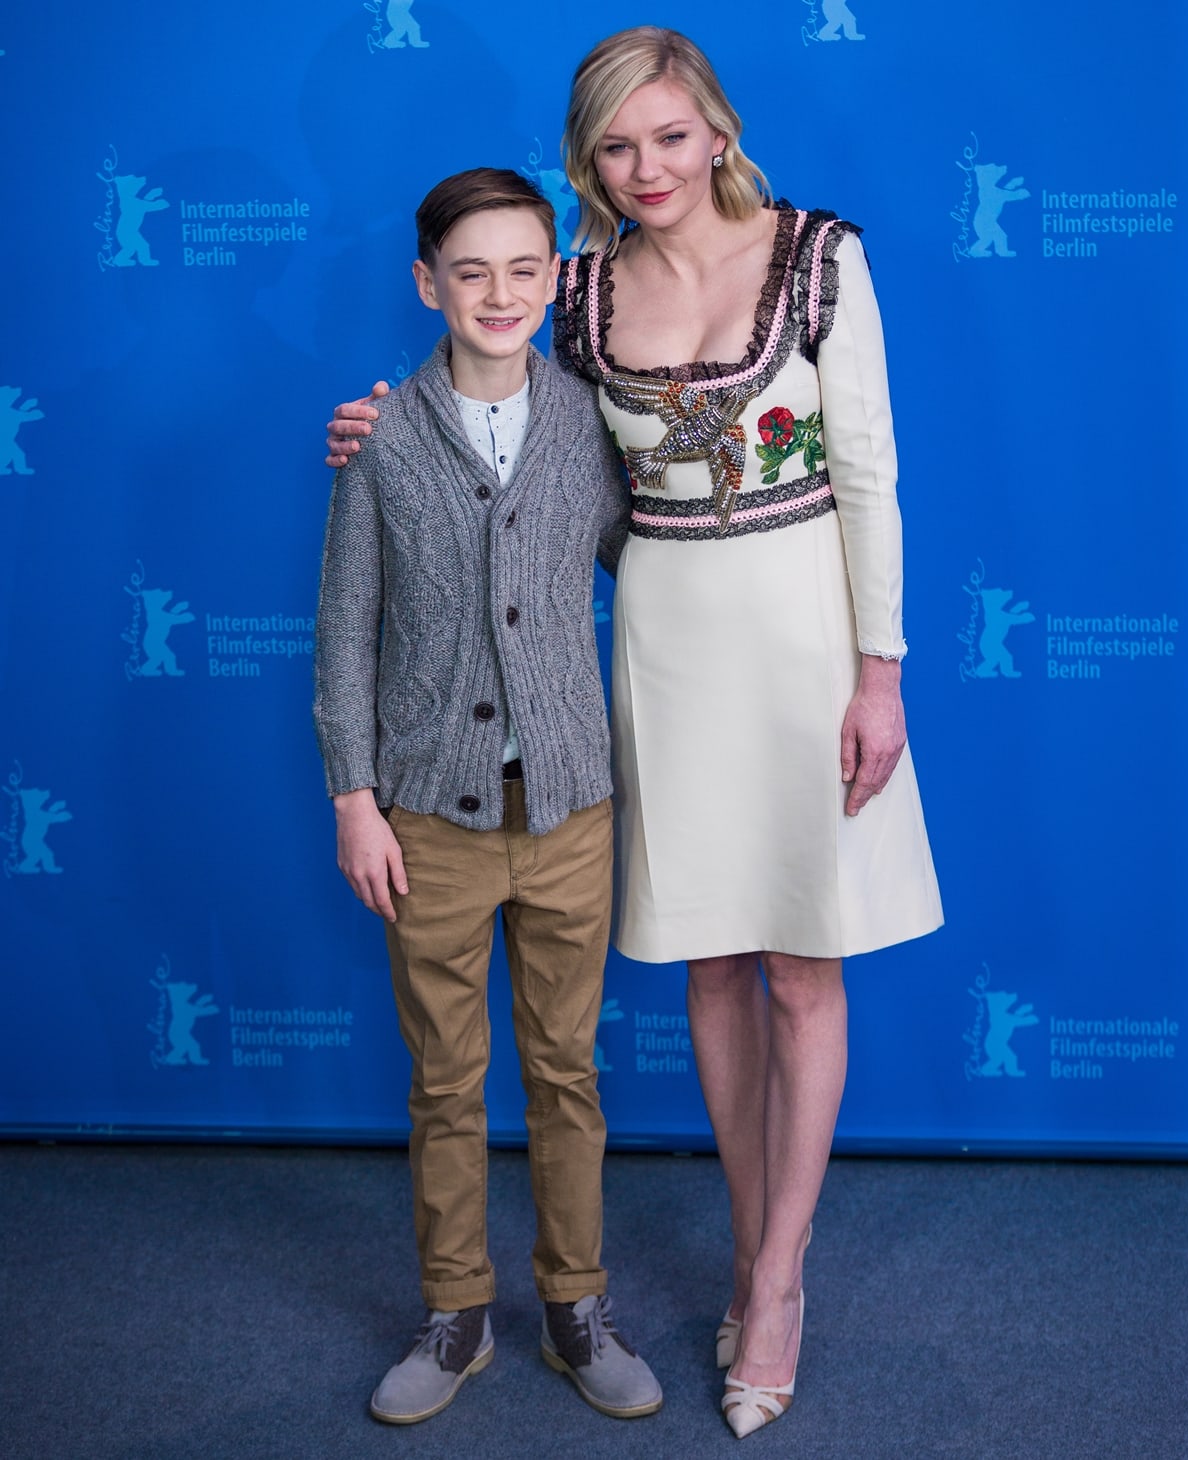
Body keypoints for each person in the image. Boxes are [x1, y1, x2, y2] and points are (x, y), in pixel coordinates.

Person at [326, 28, 943, 1440]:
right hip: (662, 645)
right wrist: (382, 427)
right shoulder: (578, 290)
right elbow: (505, 432)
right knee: (715, 971)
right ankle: (742, 1248)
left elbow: (870, 475)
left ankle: (776, 1284)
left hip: (803, 635)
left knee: (803, 969)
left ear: (718, 127)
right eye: (614, 146)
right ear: (585, 164)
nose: (645, 166)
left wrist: (880, 673)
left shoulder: (821, 258)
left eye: (668, 135)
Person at [313, 167, 661, 1426]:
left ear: (559, 278)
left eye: (526, 269)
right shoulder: (382, 434)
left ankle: (575, 1303)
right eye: (471, 272)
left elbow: (665, 555)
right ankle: (455, 1311)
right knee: (444, 1079)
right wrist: (356, 796)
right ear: (428, 284)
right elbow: (345, 631)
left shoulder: (593, 421)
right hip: (430, 822)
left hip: (570, 811)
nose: (500, 293)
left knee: (567, 1073)